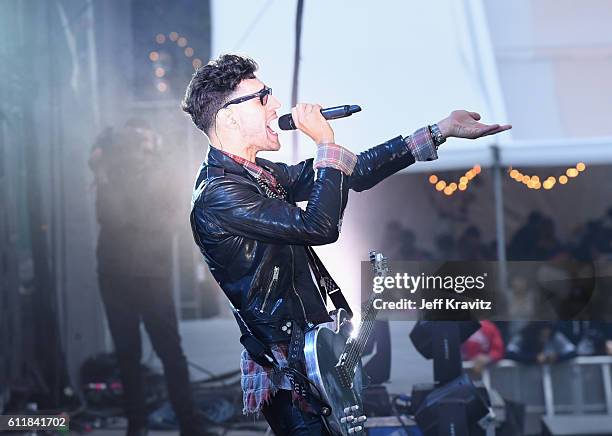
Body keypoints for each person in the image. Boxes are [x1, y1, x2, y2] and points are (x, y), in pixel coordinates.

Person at [182, 54, 511, 435]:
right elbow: (319, 225)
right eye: (262, 97)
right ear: (229, 116)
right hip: (288, 370)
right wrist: (324, 141)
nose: (275, 106)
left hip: (311, 351)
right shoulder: (220, 193)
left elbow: (355, 170)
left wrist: (441, 130)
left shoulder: (258, 174)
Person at [90, 120, 210, 436]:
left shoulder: (156, 173)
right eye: (137, 141)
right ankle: (139, 424)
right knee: (129, 353)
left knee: (168, 351)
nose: (141, 148)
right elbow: (113, 215)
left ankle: (187, 423)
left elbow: (171, 219)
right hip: (118, 273)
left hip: (147, 272)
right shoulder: (111, 171)